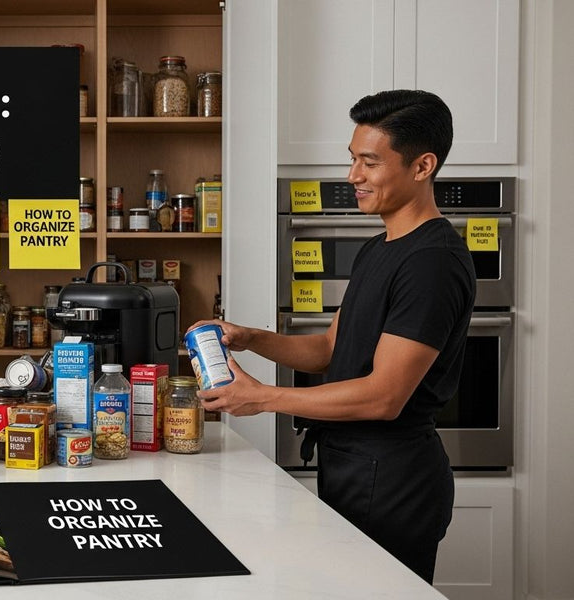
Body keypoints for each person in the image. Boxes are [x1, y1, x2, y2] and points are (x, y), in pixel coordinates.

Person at [194, 90, 473, 584]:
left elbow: (385, 396)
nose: (353, 178)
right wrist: (248, 336)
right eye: (352, 160)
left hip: (393, 478)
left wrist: (262, 399)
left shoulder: (433, 261)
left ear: (422, 166)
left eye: (369, 163)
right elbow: (327, 351)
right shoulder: (379, 248)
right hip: (351, 464)